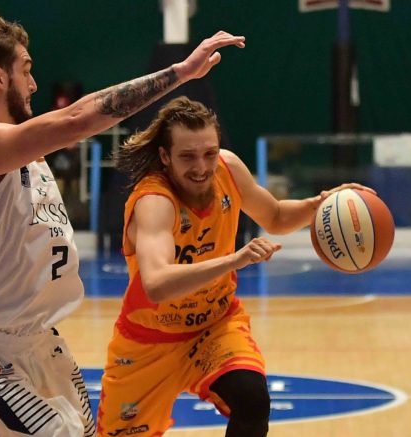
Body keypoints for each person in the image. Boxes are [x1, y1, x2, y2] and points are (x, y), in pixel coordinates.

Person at [0, 15, 245, 437]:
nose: (34, 84)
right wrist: (181, 73)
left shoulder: (28, 154)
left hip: (39, 340)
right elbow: (76, 119)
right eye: (26, 70)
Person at [96, 97, 373, 437]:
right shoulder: (154, 201)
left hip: (214, 327)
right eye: (188, 156)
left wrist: (320, 204)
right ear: (165, 157)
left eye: (209, 153)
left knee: (252, 400)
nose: (202, 166)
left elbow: (275, 216)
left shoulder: (228, 169)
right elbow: (156, 283)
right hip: (149, 341)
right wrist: (234, 260)